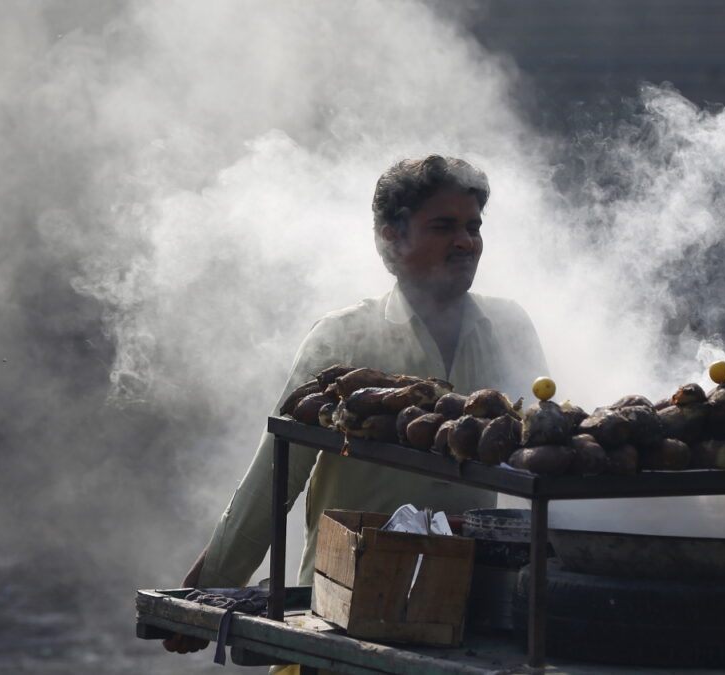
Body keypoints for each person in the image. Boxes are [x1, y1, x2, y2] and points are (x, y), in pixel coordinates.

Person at [164, 155, 548, 654]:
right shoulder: (342, 339)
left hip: (462, 618)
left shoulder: (509, 329)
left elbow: (544, 457)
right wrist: (212, 585)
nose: (466, 242)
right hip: (342, 613)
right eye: (444, 226)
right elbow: (275, 478)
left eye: (474, 227)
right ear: (391, 236)